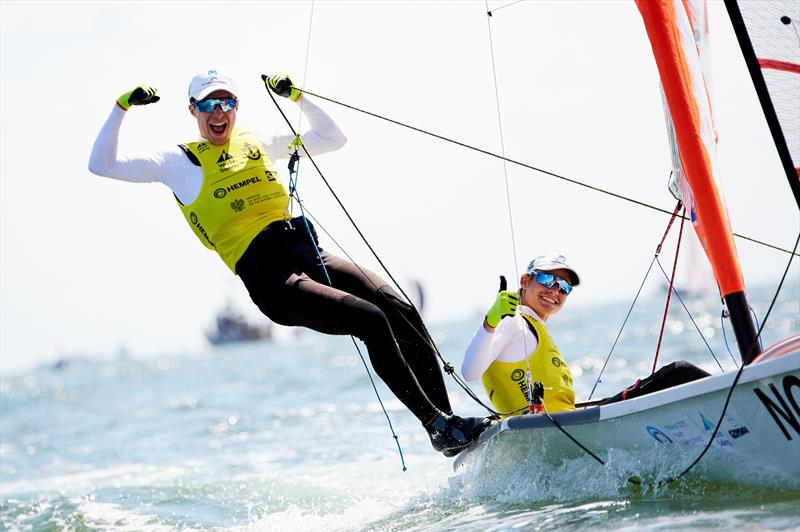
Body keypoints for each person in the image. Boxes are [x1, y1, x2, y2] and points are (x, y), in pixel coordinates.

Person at [89, 68, 489, 456]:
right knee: (371, 320)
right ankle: (437, 427)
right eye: (208, 104)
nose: (219, 112)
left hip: (308, 253)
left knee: (399, 307)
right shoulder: (177, 162)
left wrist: (298, 97)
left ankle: (450, 424)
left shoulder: (259, 140)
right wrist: (121, 106)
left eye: (226, 102)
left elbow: (333, 138)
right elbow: (102, 165)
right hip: (271, 279)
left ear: (236, 107)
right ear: (192, 110)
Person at [462, 253, 710, 417]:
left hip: (568, 429)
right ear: (526, 280)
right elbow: (470, 372)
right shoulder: (513, 321)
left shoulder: (536, 328)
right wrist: (491, 321)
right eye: (548, 280)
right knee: (680, 372)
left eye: (564, 287)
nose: (555, 291)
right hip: (557, 434)